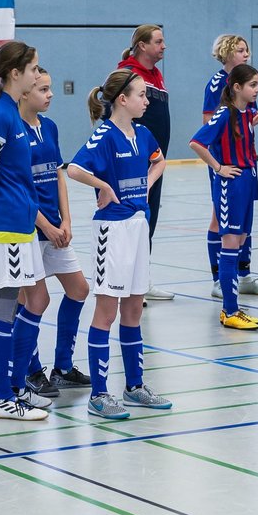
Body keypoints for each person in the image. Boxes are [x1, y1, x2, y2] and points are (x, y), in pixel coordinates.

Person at [69, 67, 172, 420]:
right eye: (141, 95)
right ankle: (99, 394)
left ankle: (134, 386)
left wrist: (146, 182)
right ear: (122, 99)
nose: (147, 100)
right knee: (107, 311)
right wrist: (105, 187)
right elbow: (74, 169)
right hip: (112, 231)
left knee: (132, 310)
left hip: (138, 226)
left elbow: (160, 161)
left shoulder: (142, 134)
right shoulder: (105, 134)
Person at [0, 41, 52, 420]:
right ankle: (2, 398)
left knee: (20, 302)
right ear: (15, 73)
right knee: (3, 305)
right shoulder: (0, 116)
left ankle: (16, 387)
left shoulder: (12, 114)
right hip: (7, 225)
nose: (37, 74)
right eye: (33, 68)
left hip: (21, 222)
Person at [19, 67, 91, 389]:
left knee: (79, 289)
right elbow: (17, 188)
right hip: (28, 229)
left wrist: (66, 220)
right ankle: (31, 369)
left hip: (55, 227)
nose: (50, 95)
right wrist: (45, 225)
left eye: (50, 89)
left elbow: (58, 174)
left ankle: (62, 367)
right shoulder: (14, 131)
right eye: (43, 90)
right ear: (23, 92)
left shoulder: (49, 127)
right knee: (34, 300)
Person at [190, 64, 258, 331]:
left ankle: (231, 309)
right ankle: (230, 310)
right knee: (230, 245)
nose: (257, 90)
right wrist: (218, 167)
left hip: (248, 181)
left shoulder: (247, 114)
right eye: (253, 85)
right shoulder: (224, 114)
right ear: (236, 87)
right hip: (231, 184)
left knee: (240, 241)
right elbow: (196, 142)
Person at [203, 35, 258, 298]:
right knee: (219, 220)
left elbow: (245, 120)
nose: (246, 54)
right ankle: (219, 278)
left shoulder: (247, 82)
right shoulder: (218, 84)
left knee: (244, 220)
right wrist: (218, 165)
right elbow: (209, 123)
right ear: (227, 52)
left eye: (247, 50)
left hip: (246, 162)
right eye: (241, 50)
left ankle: (243, 274)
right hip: (224, 162)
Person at [117, 24, 175, 301]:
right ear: (142, 45)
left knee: (147, 221)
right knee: (132, 221)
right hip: (134, 165)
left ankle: (141, 281)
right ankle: (126, 283)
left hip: (154, 163)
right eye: (159, 41)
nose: (164, 46)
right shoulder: (128, 75)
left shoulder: (156, 76)